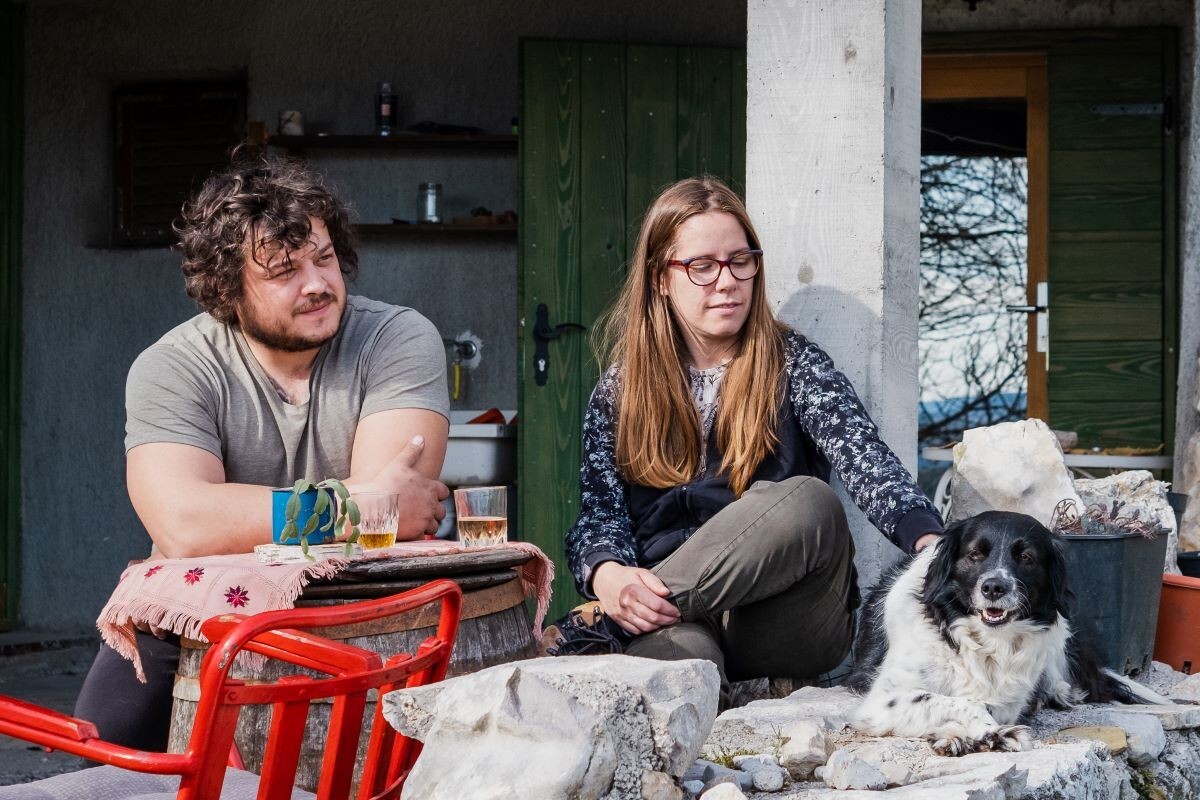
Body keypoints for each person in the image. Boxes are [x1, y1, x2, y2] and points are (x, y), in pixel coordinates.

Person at [73, 155, 451, 750]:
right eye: (284, 271)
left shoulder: (397, 338)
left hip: (362, 609)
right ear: (227, 289)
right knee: (100, 746)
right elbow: (184, 526)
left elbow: (393, 508)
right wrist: (349, 504)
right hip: (198, 614)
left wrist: (258, 515)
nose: (318, 284)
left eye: (324, 258)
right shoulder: (173, 366)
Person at [557, 177, 942, 701]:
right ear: (660, 280)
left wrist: (928, 540)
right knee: (686, 667)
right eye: (702, 265)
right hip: (676, 622)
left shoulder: (795, 363)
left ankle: (601, 631)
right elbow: (600, 513)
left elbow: (865, 460)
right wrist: (608, 576)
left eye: (741, 260)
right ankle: (633, 624)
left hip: (783, 620)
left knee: (810, 500)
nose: (727, 281)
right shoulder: (621, 389)